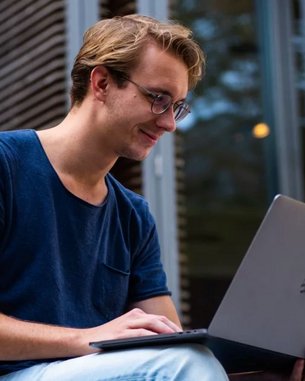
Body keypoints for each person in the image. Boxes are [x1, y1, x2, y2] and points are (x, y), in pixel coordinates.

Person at [0, 14, 303, 381]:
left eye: (177, 106)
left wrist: (269, 368)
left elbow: (172, 342)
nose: (170, 123)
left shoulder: (133, 215)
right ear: (101, 82)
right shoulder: (7, 164)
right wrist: (87, 338)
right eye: (158, 99)